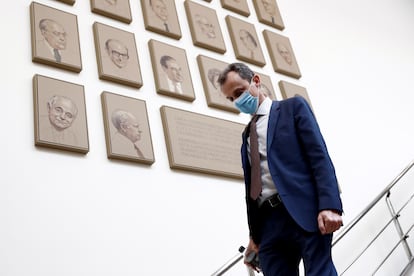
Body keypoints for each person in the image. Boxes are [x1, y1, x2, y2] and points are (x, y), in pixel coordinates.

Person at [218, 62, 343, 276]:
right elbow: (254, 188)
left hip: (305, 211)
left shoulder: (292, 108)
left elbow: (319, 157)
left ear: (255, 81)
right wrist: (254, 237)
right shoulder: (246, 135)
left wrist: (330, 205)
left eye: (239, 92)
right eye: (231, 99)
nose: (237, 101)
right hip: (269, 225)